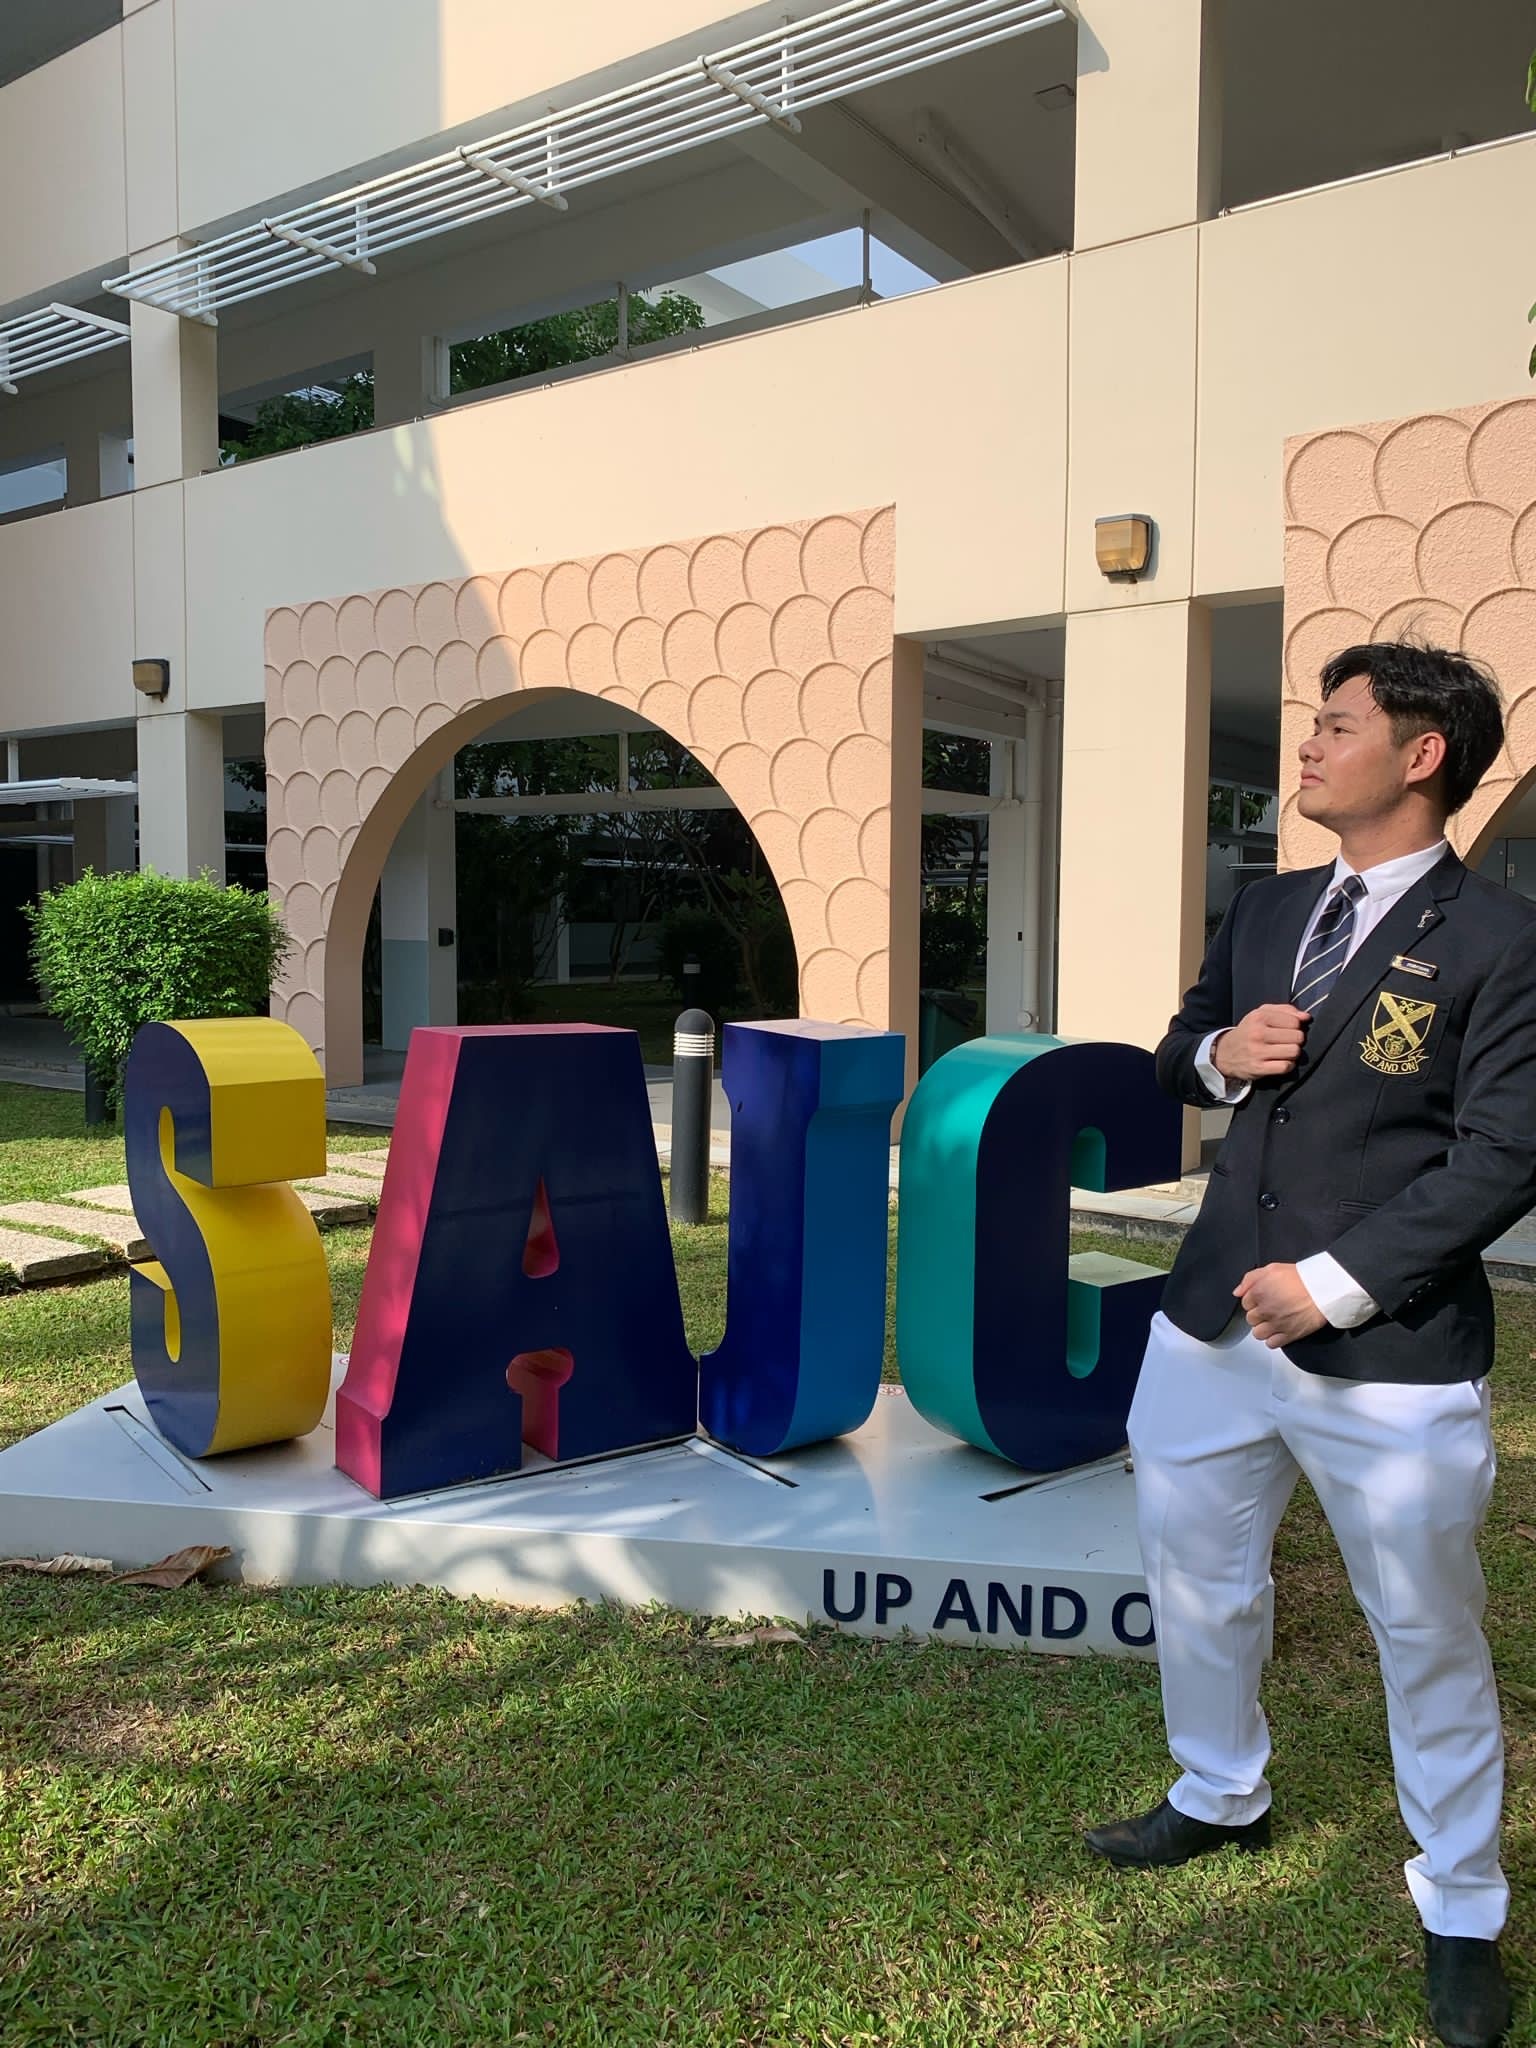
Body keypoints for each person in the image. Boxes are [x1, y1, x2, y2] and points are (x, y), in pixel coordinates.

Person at [1083, 642, 1536, 2048]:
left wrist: (1335, 1285)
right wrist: (1226, 1056)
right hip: (1209, 1321)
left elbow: (1507, 1151)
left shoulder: (1504, 941)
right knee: (1197, 1580)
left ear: (1422, 757)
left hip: (1384, 1353)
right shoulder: (1270, 903)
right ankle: (1221, 1791)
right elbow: (1178, 1048)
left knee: (1425, 1628)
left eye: (1338, 726)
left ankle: (1460, 1906)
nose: (1307, 745)